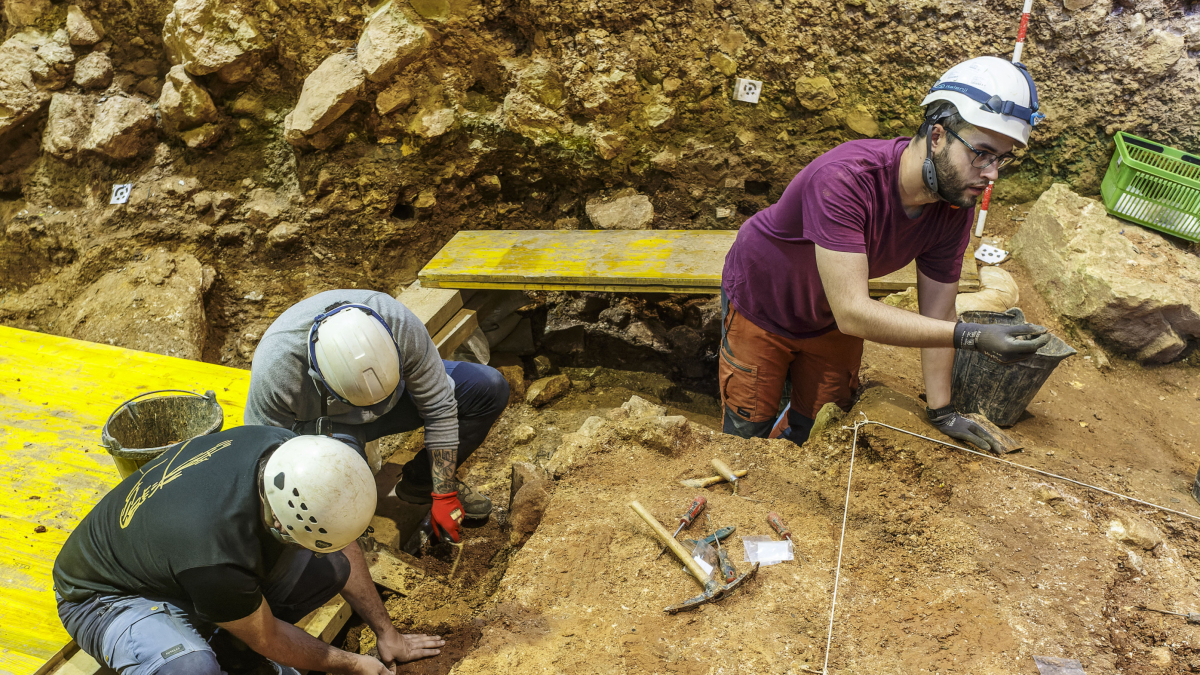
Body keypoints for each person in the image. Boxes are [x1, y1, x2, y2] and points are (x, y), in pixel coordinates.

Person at [720, 56, 1051, 452]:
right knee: (747, 431)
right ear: (939, 136)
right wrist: (974, 337)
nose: (992, 173)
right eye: (981, 152)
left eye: (1001, 158)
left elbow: (939, 313)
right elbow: (854, 311)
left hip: (828, 320)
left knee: (822, 423)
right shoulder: (846, 179)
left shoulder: (951, 205)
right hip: (764, 305)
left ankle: (789, 435)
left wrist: (942, 410)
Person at [53, 427, 444, 675]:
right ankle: (215, 640)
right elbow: (269, 636)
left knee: (330, 569)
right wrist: (353, 664)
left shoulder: (288, 455)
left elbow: (342, 545)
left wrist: (387, 633)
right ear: (280, 523)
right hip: (102, 597)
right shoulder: (215, 553)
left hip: (174, 560)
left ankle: (230, 639)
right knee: (191, 668)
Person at [245, 289, 509, 544]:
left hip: (399, 402)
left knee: (488, 386)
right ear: (317, 375)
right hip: (329, 429)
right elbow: (266, 454)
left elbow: (440, 407)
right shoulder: (277, 370)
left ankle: (421, 482)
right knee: (337, 494)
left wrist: (444, 491)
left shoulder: (398, 323)